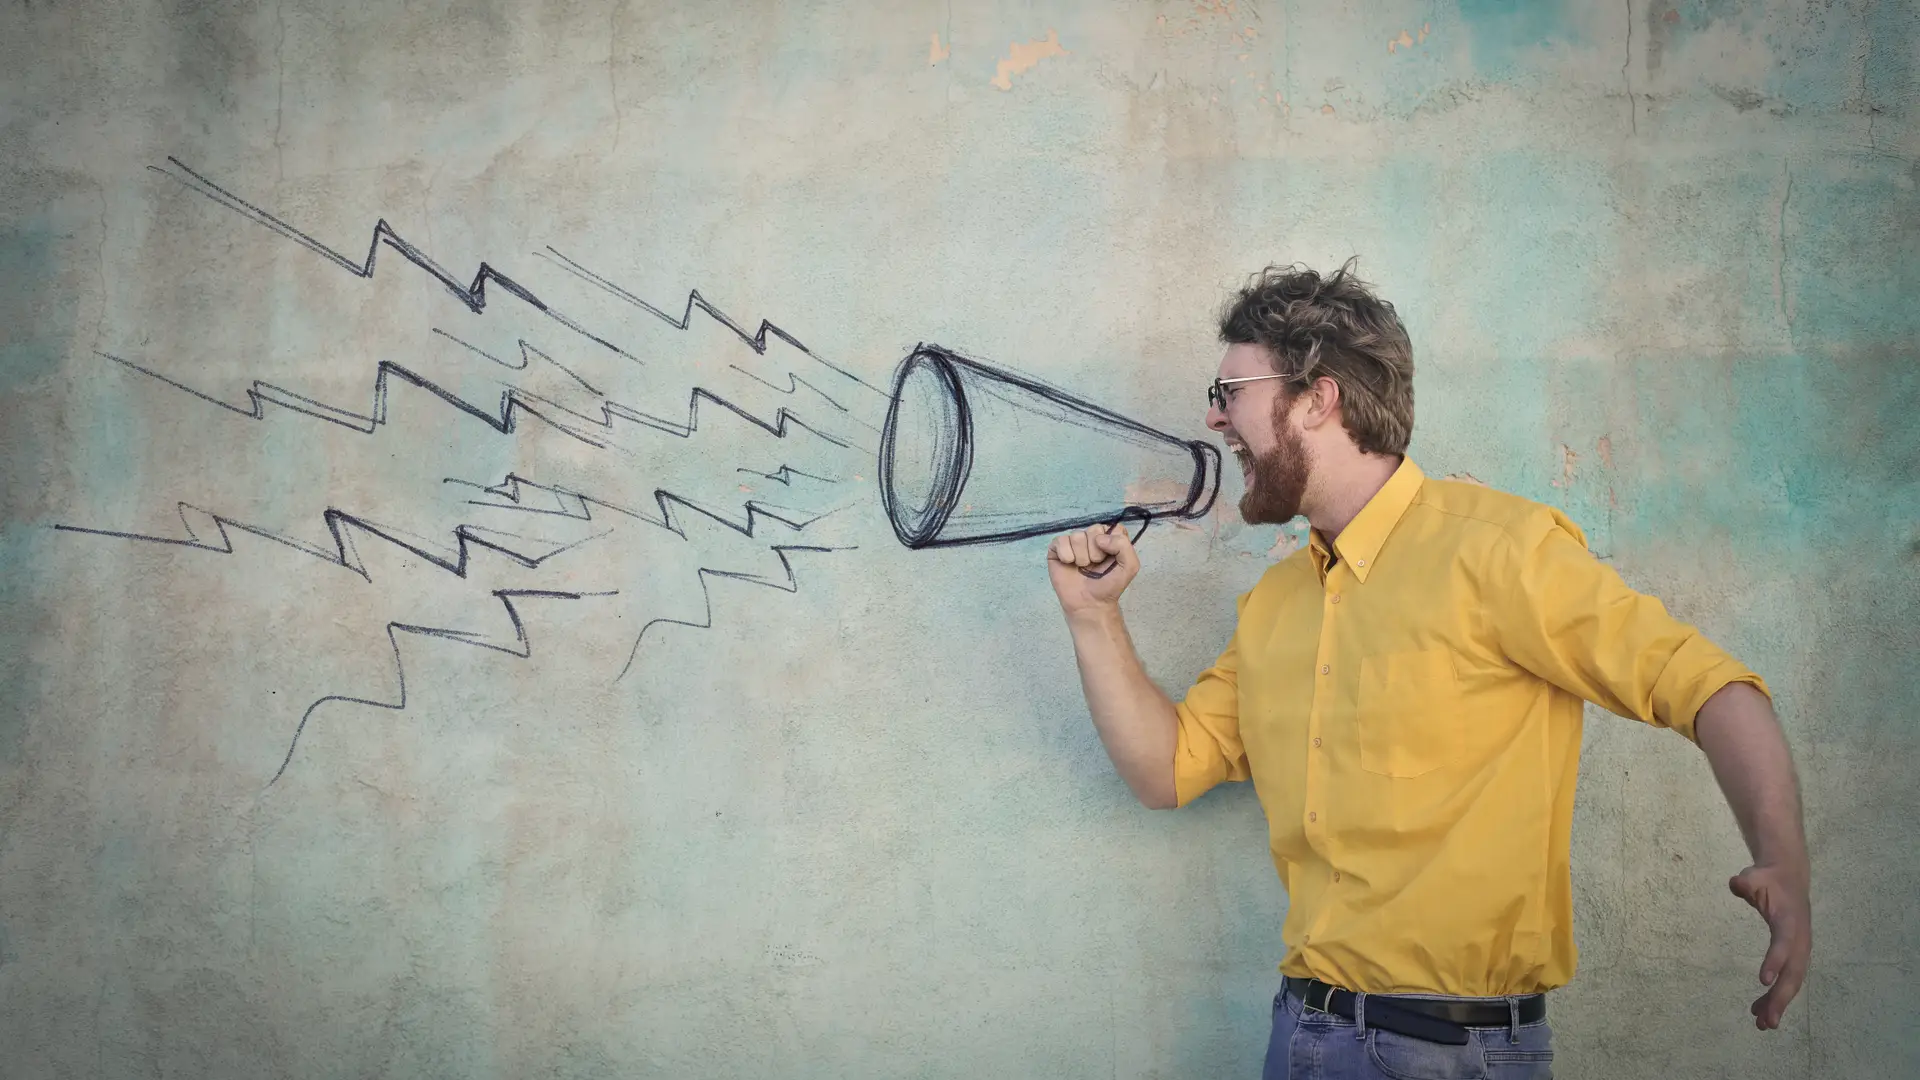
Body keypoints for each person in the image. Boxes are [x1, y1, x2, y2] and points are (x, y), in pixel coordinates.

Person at [1044, 260, 1812, 1079]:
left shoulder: (1499, 550)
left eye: (1230, 390)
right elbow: (1165, 769)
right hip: (1301, 1036)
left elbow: (1708, 686)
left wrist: (1783, 858)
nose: (1213, 414)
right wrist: (1093, 617)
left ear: (1318, 396)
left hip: (1458, 1055)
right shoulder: (1276, 602)